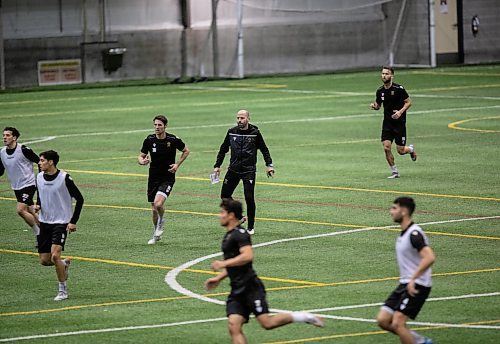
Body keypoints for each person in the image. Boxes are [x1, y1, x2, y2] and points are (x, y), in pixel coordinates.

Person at [205, 199, 324, 344]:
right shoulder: (228, 236)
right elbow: (236, 265)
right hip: (236, 289)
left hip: (250, 287)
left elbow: (247, 256)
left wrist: (223, 263)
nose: (219, 215)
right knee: (233, 326)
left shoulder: (240, 234)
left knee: (267, 323)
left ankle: (303, 316)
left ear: (231, 215)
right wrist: (219, 278)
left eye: (222, 212)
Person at [376, 197, 435, 344]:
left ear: (404, 211)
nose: (391, 212)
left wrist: (414, 278)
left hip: (417, 285)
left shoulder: (414, 234)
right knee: (383, 320)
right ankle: (419, 341)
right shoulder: (404, 233)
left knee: (398, 323)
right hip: (405, 283)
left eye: (394, 208)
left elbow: (429, 257)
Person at [213, 110, 274, 235]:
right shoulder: (231, 132)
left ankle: (250, 227)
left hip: (248, 170)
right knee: (225, 196)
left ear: (248, 119)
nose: (239, 120)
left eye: (242, 118)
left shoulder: (255, 133)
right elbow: (223, 149)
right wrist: (217, 166)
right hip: (233, 169)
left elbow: (264, 149)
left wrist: (269, 165)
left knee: (249, 197)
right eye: (238, 118)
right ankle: (240, 218)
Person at [36, 150, 84, 301]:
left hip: (61, 222)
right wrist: (38, 205)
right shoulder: (38, 176)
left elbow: (80, 199)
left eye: (42, 160)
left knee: (55, 255)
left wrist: (73, 221)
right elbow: (40, 193)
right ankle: (63, 265)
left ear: (51, 162)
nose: (39, 163)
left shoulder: (65, 178)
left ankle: (62, 291)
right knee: (45, 260)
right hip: (44, 222)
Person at [138, 115, 190, 245]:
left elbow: (186, 151)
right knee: (154, 208)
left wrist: (177, 164)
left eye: (159, 125)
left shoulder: (172, 139)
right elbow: (141, 155)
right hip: (153, 178)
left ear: (165, 126)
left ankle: (161, 222)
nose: (157, 127)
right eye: (155, 125)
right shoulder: (149, 140)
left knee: (158, 204)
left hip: (167, 177)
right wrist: (142, 161)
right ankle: (156, 233)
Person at [370, 67, 417, 178]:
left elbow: (408, 102)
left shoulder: (399, 89)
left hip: (399, 123)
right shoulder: (380, 91)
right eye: (382, 73)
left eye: (386, 74)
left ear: (392, 76)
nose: (384, 76)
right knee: (386, 147)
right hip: (387, 123)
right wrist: (374, 106)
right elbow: (378, 106)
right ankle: (395, 172)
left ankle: (410, 149)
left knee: (400, 150)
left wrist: (400, 112)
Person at [0, 127, 40, 238]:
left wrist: (41, 177)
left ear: (14, 137)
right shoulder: (2, 152)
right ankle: (48, 231)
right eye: (4, 135)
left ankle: (39, 233)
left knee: (20, 210)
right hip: (16, 186)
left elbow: (40, 162)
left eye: (8, 135)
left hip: (29, 184)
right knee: (31, 210)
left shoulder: (24, 149)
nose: (4, 137)